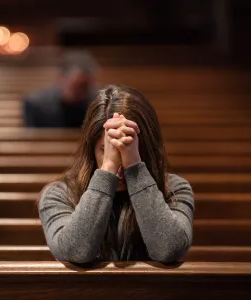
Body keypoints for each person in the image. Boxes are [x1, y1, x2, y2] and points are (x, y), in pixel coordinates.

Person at [38, 85, 194, 264]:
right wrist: (108, 168)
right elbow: (75, 252)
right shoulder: (58, 194)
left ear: (148, 150)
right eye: (106, 150)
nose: (119, 165)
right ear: (91, 149)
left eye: (130, 150)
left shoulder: (175, 189)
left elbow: (169, 249)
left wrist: (134, 167)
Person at [23, 51, 97, 128]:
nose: (81, 91)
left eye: (85, 87)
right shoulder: (36, 105)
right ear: (61, 78)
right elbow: (32, 137)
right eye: (76, 86)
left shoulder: (98, 104)